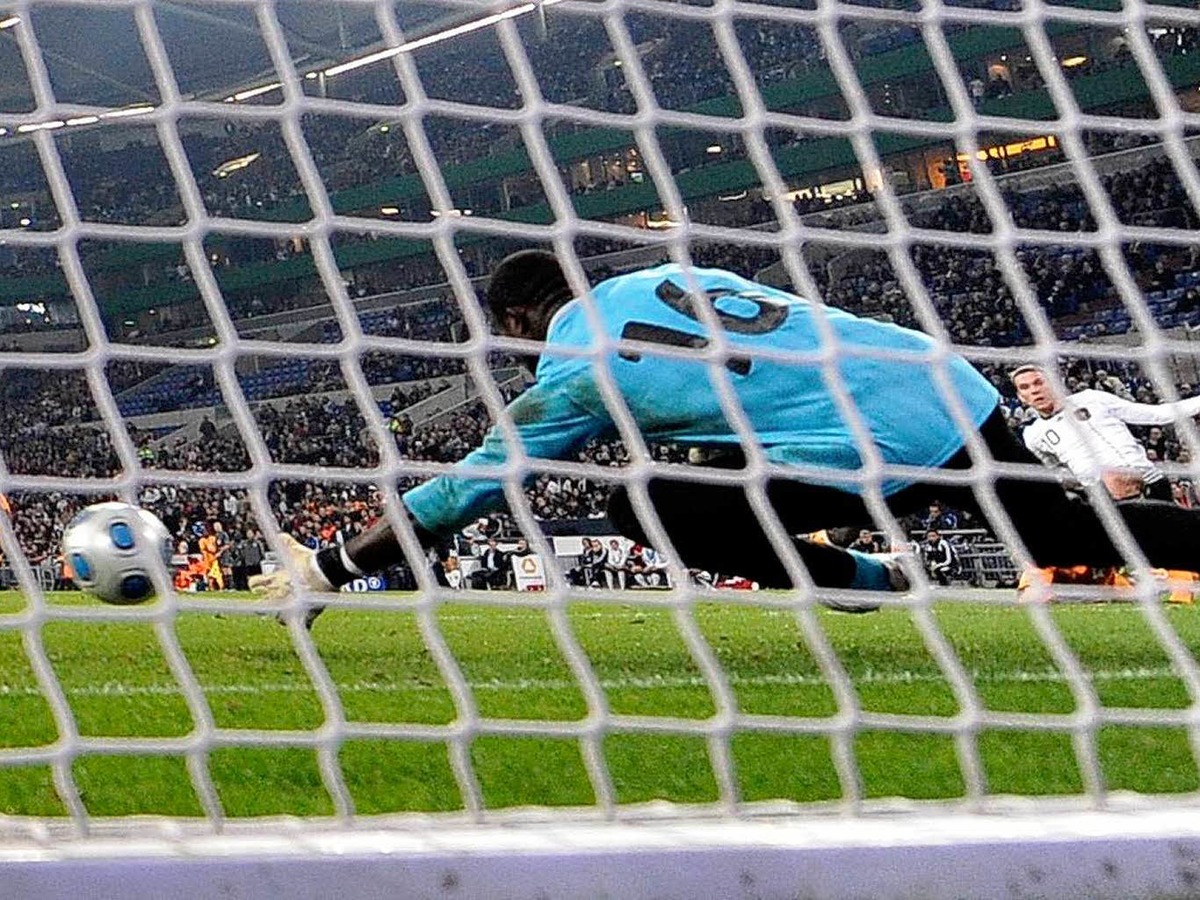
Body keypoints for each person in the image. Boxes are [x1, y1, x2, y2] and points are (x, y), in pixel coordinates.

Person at [250, 252, 1200, 621]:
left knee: (644, 499)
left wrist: (333, 566)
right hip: (932, 377)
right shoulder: (657, 275)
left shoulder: (571, 368)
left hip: (868, 439)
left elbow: (469, 489)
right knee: (1071, 533)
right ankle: (864, 580)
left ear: (514, 320)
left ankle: (861, 582)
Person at [1011, 363, 1200, 502]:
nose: (1035, 390)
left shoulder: (1092, 399)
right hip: (1104, 501)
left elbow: (1158, 415)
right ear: (1021, 398)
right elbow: (1050, 471)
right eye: (1025, 388)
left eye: (1038, 383)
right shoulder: (1033, 434)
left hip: (1148, 485)